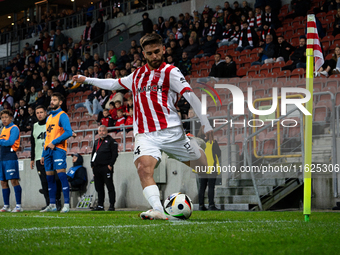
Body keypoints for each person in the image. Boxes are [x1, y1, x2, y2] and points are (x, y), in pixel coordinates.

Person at [73, 33, 213, 220]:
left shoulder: (171, 72)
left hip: (171, 132)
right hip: (145, 134)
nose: (154, 56)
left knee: (203, 167)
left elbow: (190, 96)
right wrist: (86, 79)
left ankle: (192, 143)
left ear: (163, 50)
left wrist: (206, 123)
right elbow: (114, 83)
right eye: (150, 53)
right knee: (143, 168)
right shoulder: (137, 75)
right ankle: (157, 209)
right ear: (144, 54)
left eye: (157, 52)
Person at [40, 92, 72, 213]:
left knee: (62, 176)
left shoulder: (63, 115)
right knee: (49, 178)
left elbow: (69, 132)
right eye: (51, 99)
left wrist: (55, 141)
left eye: (54, 100)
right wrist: (43, 153)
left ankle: (67, 205)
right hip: (48, 150)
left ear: (60, 102)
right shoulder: (49, 117)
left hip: (58, 149)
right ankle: (52, 204)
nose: (51, 102)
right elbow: (47, 137)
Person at [30, 105, 62, 210]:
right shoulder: (34, 126)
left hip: (51, 155)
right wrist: (32, 159)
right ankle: (48, 203)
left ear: (45, 113)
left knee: (54, 179)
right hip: (39, 157)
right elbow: (33, 143)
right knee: (44, 181)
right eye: (37, 113)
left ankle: (57, 202)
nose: (39, 114)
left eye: (41, 112)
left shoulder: (50, 123)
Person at [90, 125, 118, 211]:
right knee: (99, 187)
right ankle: (100, 205)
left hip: (106, 167)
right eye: (100, 131)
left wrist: (110, 164)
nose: (101, 132)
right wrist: (92, 165)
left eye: (103, 131)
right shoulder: (96, 142)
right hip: (97, 168)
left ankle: (111, 205)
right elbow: (93, 153)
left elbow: (115, 154)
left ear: (106, 131)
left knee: (109, 186)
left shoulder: (111, 141)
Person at [0, 110, 22, 212]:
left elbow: (10, 142)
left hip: (10, 157)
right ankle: (6, 206)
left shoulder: (14, 128)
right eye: (2, 117)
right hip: (2, 158)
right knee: (3, 182)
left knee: (14, 180)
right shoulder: (3, 129)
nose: (4, 119)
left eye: (6, 117)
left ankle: (18, 206)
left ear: (10, 118)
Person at [195, 128, 221, 211]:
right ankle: (211, 205)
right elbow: (219, 153)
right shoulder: (212, 142)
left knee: (202, 187)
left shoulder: (196, 143)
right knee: (211, 187)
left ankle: (201, 205)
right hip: (211, 167)